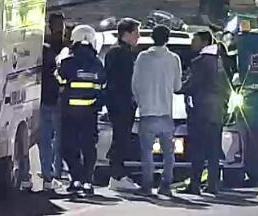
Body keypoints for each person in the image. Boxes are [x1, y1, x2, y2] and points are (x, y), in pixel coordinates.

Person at [131, 25, 182, 196]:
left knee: (147, 152)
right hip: (166, 112)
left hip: (147, 111)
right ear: (168, 39)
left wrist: (140, 101)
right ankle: (166, 184)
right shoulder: (174, 59)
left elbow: (135, 84)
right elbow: (177, 86)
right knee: (168, 153)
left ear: (152, 37)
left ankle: (147, 185)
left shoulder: (143, 57)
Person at [57, 24, 106, 195]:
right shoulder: (97, 63)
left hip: (69, 113)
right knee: (89, 148)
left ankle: (75, 178)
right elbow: (100, 89)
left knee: (69, 147)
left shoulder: (67, 62)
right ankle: (87, 181)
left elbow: (60, 85)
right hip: (90, 114)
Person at [179, 30, 228, 195]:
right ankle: (213, 184)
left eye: (195, 40)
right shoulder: (219, 61)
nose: (193, 43)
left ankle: (195, 185)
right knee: (214, 150)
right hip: (216, 111)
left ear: (204, 42)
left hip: (201, 112)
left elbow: (192, 84)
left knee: (198, 150)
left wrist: (178, 88)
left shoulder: (200, 62)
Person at [104, 17, 140, 191]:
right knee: (121, 137)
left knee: (122, 138)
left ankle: (118, 173)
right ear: (127, 33)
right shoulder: (121, 53)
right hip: (121, 102)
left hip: (118, 101)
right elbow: (123, 80)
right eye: (136, 33)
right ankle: (117, 174)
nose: (138, 37)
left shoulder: (117, 51)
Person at [38, 11, 66, 194]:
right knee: (57, 139)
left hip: (45, 98)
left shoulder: (42, 47)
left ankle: (48, 174)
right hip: (57, 100)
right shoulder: (64, 48)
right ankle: (55, 173)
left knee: (46, 139)